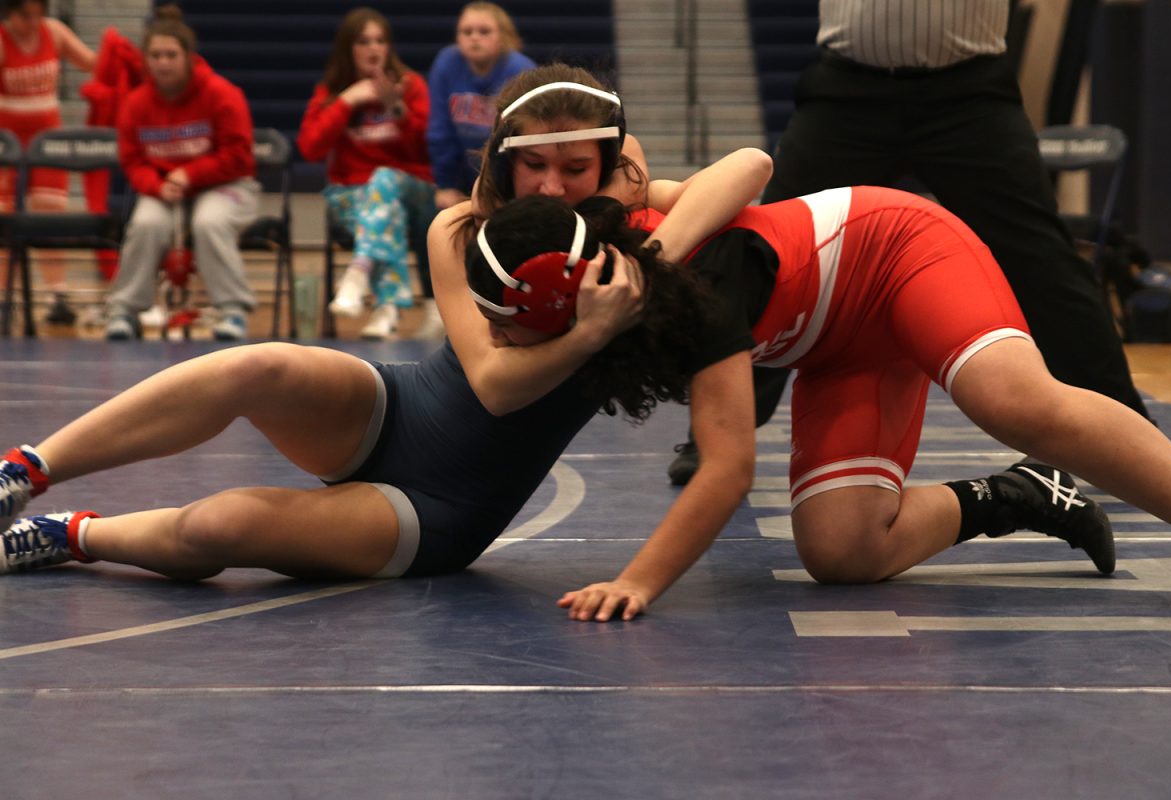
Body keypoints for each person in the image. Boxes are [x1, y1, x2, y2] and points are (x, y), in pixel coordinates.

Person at [0, 70, 771, 592]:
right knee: (255, 366)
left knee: (218, 526)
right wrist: (595, 328)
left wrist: (646, 253)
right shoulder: (458, 229)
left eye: (577, 167)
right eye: (534, 167)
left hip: (440, 511)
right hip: (397, 412)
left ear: (604, 163)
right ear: (503, 165)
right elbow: (496, 387)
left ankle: (70, 534)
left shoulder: (622, 233)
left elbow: (751, 163)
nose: (554, 187)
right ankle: (26, 469)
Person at [463, 187, 1171, 624]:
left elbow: (726, 468)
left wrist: (637, 581)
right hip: (839, 346)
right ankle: (1021, 495)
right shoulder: (605, 289)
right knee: (841, 551)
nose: (495, 333)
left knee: (1009, 398)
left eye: (502, 316)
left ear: (563, 298)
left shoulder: (700, 286)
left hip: (902, 252)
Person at [666, 0, 1152, 486]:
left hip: (968, 94)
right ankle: (717, 433)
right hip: (848, 92)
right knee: (766, 253)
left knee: (1041, 260)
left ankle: (1122, 420)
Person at [104, 5, 258, 342]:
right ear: (145, 59)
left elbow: (238, 156)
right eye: (155, 55)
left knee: (209, 222)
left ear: (188, 57)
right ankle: (124, 310)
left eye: (170, 54)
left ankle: (232, 309)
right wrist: (157, 186)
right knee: (146, 223)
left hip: (225, 184)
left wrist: (190, 174)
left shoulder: (223, 94)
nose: (163, 62)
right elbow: (132, 161)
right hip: (164, 189)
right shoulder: (135, 104)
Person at [298, 7, 438, 341]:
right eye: (364, 42)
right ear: (349, 48)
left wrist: (398, 110)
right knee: (381, 208)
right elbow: (310, 149)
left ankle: (359, 272)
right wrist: (347, 100)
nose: (374, 49)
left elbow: (427, 149)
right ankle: (386, 311)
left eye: (380, 41)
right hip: (351, 195)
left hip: (411, 189)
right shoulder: (331, 92)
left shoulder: (410, 86)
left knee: (385, 179)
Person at [0, 0, 95, 325]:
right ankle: (4, 299)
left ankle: (58, 294)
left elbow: (95, 64)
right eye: (24, 15)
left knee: (49, 210)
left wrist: (122, 62)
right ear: (9, 14)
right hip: (6, 140)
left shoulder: (53, 33)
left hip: (47, 140)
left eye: (37, 13)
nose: (32, 21)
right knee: (4, 216)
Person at [427, 2, 534, 212]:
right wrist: (446, 184)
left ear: (504, 37)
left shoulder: (521, 71)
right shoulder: (446, 64)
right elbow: (440, 131)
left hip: (509, 180)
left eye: (484, 31)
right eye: (466, 32)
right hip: (460, 180)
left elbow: (525, 139)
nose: (474, 38)